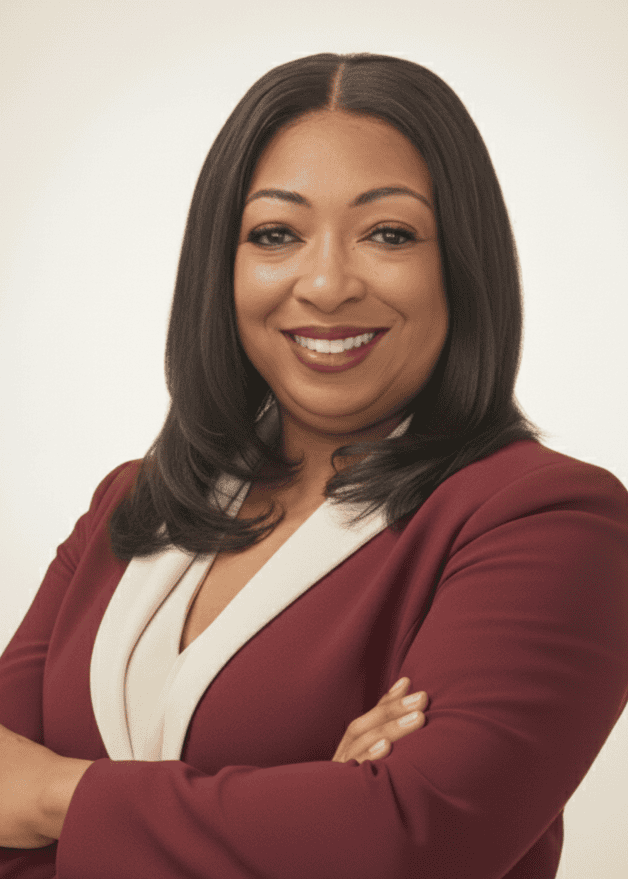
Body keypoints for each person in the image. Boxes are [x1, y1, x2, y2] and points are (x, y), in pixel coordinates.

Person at [1, 52, 627, 879]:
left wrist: (54, 798)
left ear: (461, 263)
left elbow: (407, 846)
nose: (327, 283)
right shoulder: (137, 501)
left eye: (389, 233)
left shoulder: (550, 518)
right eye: (275, 234)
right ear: (221, 267)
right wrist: (301, 814)